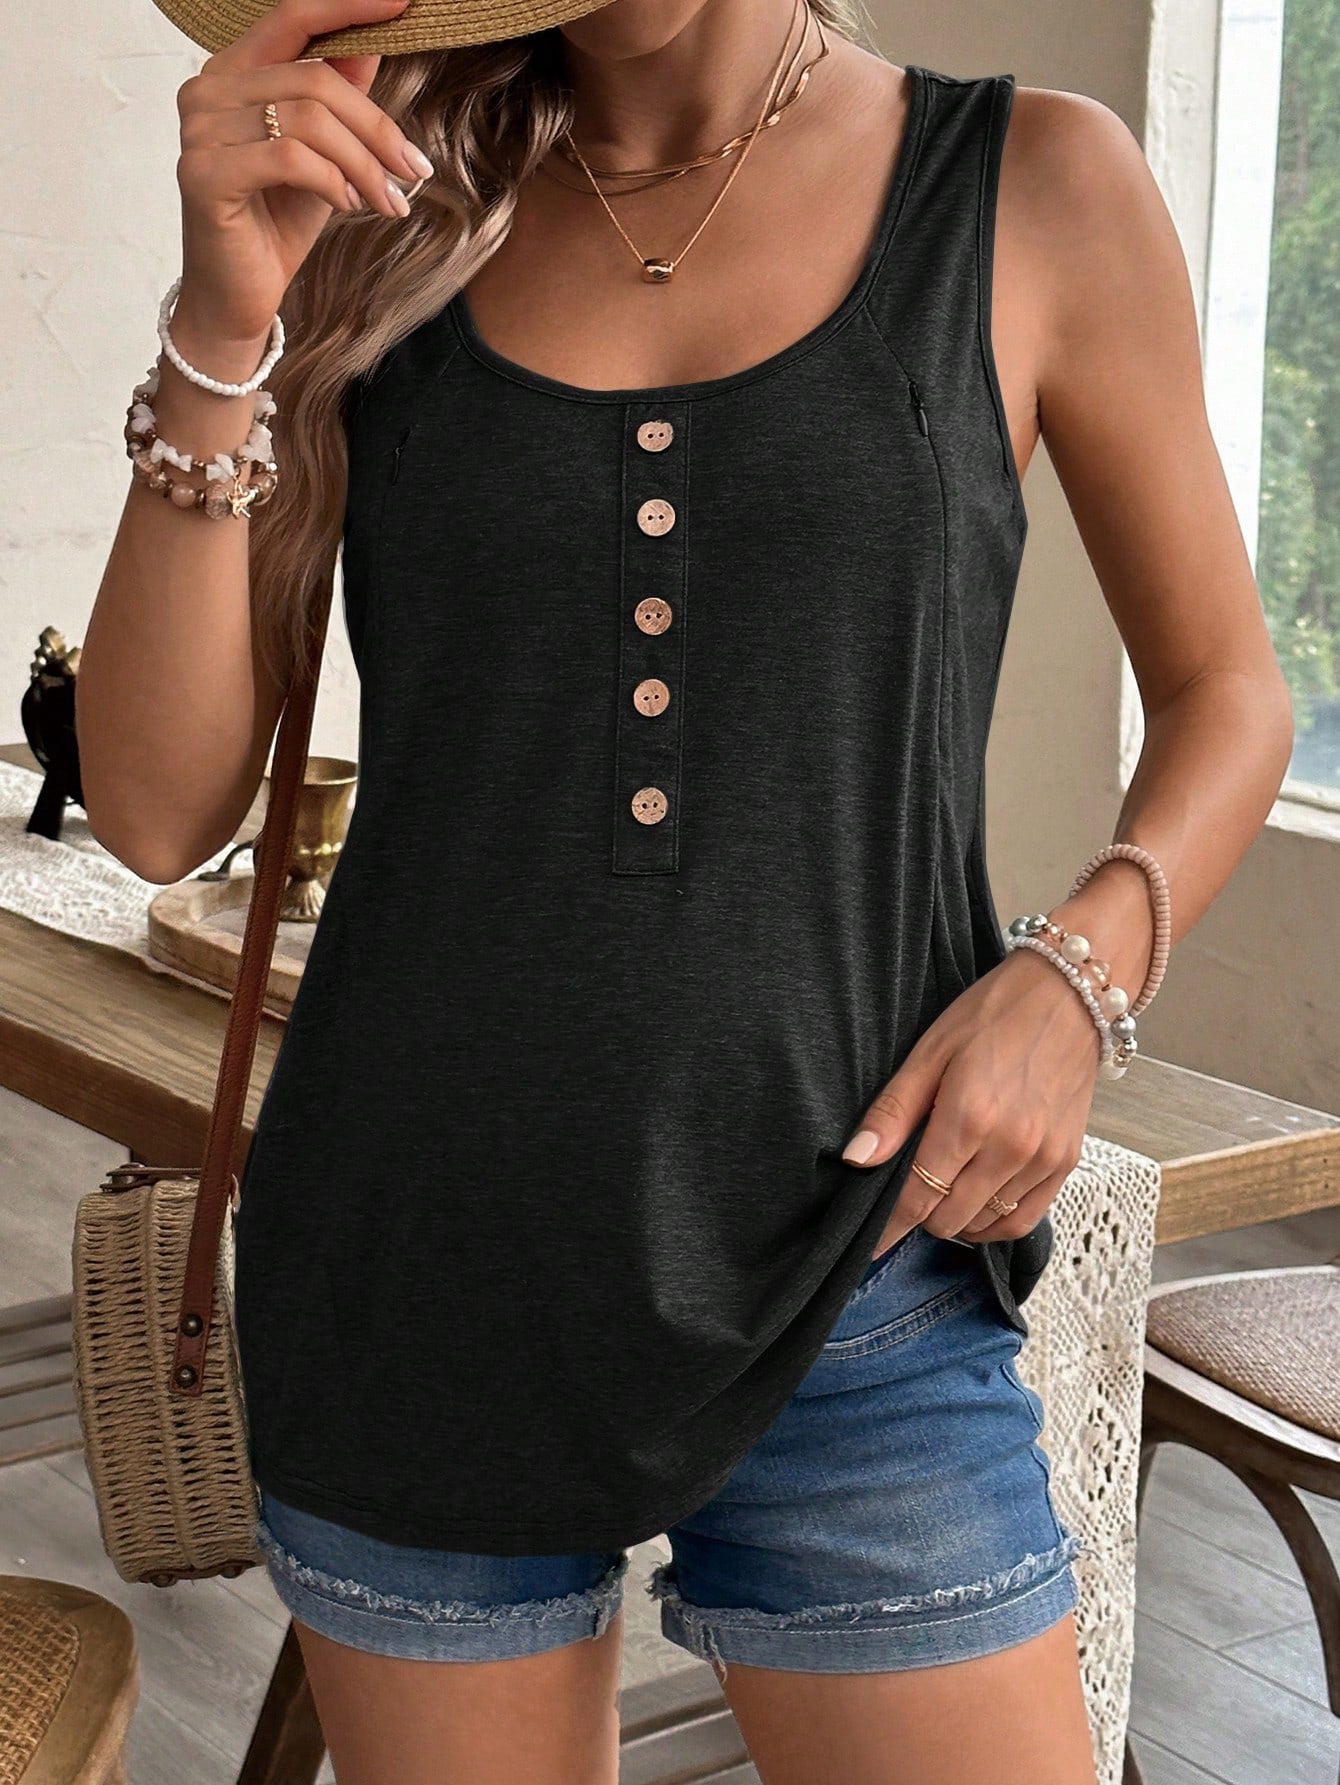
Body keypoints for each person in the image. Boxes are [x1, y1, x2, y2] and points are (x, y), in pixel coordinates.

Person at [76, 0, 1294, 1779]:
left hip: (862, 1269)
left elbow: (1228, 690)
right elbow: (154, 803)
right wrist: (222, 322)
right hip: (422, 1271)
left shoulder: (1030, 184)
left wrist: (1074, 977)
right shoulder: (385, 212)